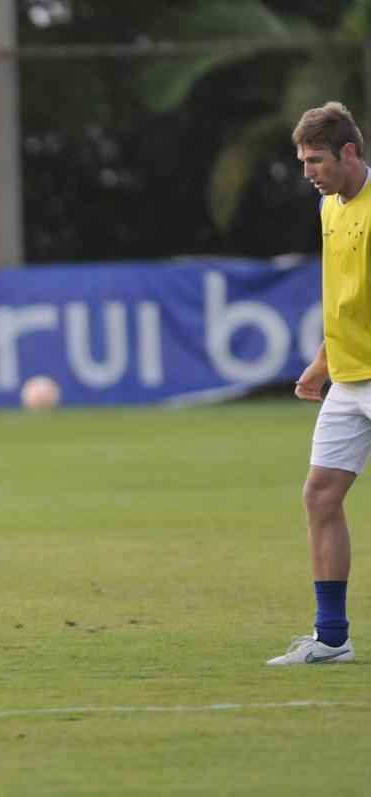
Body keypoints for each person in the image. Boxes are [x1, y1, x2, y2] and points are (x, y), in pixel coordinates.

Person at [267, 102, 367, 666]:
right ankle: (332, 638)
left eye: (316, 159)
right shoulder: (329, 207)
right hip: (349, 380)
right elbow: (346, 294)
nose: (308, 170)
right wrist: (325, 358)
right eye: (303, 160)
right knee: (320, 495)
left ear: (349, 152)